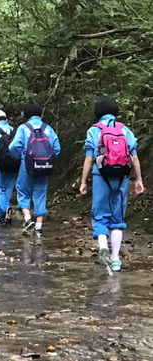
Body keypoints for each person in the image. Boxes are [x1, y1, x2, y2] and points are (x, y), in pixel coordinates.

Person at [80, 97, 144, 272]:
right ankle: (116, 260)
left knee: (99, 214)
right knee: (117, 218)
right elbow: (135, 157)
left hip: (101, 176)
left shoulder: (94, 131)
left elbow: (89, 159)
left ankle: (102, 246)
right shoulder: (125, 130)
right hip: (122, 177)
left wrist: (83, 181)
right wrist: (138, 179)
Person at [9, 103, 61, 236]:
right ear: (41, 114)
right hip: (44, 167)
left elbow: (13, 147)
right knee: (40, 194)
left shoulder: (23, 128)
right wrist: (48, 159)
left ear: (26, 115)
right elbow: (57, 148)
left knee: (23, 191)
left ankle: (27, 219)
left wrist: (19, 157)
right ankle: (39, 226)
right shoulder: (48, 129)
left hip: (27, 165)